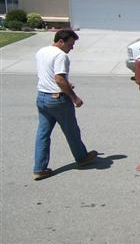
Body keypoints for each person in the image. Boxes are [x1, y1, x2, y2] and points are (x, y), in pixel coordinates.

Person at [33, 30, 97, 180]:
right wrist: (75, 98)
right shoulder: (61, 56)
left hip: (42, 97)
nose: (72, 48)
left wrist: (67, 84)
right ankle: (82, 158)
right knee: (71, 131)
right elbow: (59, 79)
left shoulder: (41, 51)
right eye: (71, 44)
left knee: (43, 134)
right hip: (57, 99)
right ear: (61, 41)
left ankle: (39, 169)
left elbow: (44, 73)